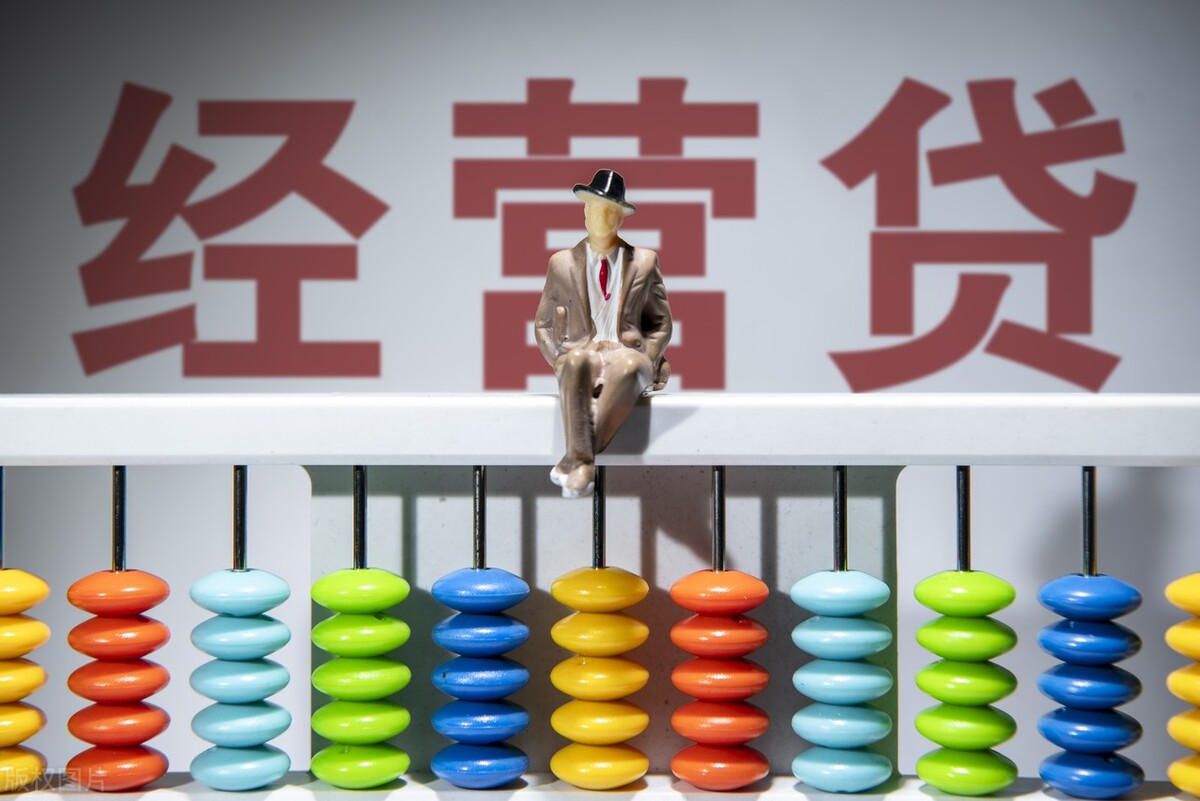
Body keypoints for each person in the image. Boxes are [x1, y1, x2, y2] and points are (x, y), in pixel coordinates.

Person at [535, 170, 673, 498]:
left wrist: (649, 359)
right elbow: (543, 325)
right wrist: (559, 359)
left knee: (631, 367)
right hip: (581, 349)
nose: (600, 217)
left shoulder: (643, 261)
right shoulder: (561, 263)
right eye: (593, 209)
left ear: (620, 217)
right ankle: (581, 461)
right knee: (576, 362)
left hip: (625, 351)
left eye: (609, 211)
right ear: (584, 212)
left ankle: (578, 458)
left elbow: (661, 323)